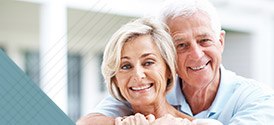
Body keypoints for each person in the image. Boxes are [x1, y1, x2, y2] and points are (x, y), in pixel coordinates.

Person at [77, 0, 274, 124]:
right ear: (169, 54)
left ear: (220, 42)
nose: (196, 55)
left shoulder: (259, 99)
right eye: (181, 45)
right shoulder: (144, 89)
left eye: (204, 40)